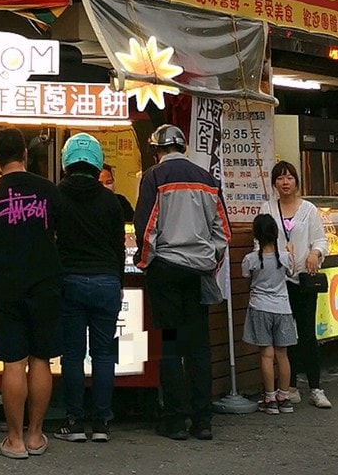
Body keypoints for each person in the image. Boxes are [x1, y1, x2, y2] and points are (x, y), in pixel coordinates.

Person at [134, 124, 231, 441]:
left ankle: (175, 420)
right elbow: (223, 233)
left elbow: (146, 227)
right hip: (198, 273)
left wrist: (145, 262)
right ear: (183, 147)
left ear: (156, 150)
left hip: (167, 271)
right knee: (199, 348)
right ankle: (203, 421)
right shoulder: (206, 179)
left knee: (173, 346)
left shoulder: (154, 177)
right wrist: (208, 263)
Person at [0, 128, 65, 459]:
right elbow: (60, 231)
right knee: (41, 359)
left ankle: (14, 441)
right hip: (45, 282)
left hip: (7, 284)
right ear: (25, 155)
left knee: (14, 362)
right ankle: (36, 436)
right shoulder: (49, 190)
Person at [54, 133, 125, 444]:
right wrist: (118, 282)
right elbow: (118, 247)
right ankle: (102, 424)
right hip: (106, 282)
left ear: (66, 163)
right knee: (104, 355)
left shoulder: (55, 196)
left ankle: (73, 420)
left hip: (68, 281)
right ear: (97, 164)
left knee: (72, 355)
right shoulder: (112, 201)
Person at [256, 160, 331, 409]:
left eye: (289, 177)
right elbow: (259, 244)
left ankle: (316, 387)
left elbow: (321, 240)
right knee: (285, 338)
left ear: (297, 181)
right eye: (280, 178)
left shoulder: (308, 210)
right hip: (277, 283)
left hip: (303, 280)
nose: (285, 182)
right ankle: (290, 386)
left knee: (307, 333)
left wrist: (315, 254)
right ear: (274, 183)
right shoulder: (267, 208)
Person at [242, 213, 298, 415]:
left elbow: (246, 277)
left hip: (260, 307)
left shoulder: (250, 259)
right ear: (276, 233)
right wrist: (290, 252)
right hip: (282, 308)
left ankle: (270, 398)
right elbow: (292, 272)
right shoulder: (284, 258)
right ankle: (285, 397)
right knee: (283, 355)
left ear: (256, 235)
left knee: (267, 355)